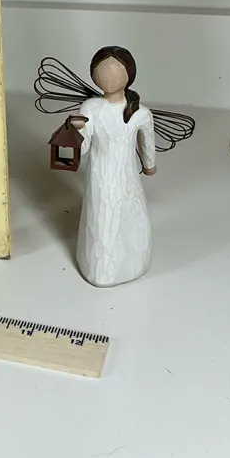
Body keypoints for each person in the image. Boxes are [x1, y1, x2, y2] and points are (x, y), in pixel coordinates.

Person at [69, 47, 157, 287]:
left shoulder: (141, 113)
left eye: (114, 72)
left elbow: (148, 145)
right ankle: (100, 270)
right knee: (102, 219)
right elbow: (83, 147)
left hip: (128, 178)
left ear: (129, 75)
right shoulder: (91, 108)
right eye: (102, 73)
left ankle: (134, 263)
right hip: (100, 177)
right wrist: (77, 131)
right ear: (93, 76)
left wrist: (149, 165)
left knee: (130, 216)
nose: (107, 78)